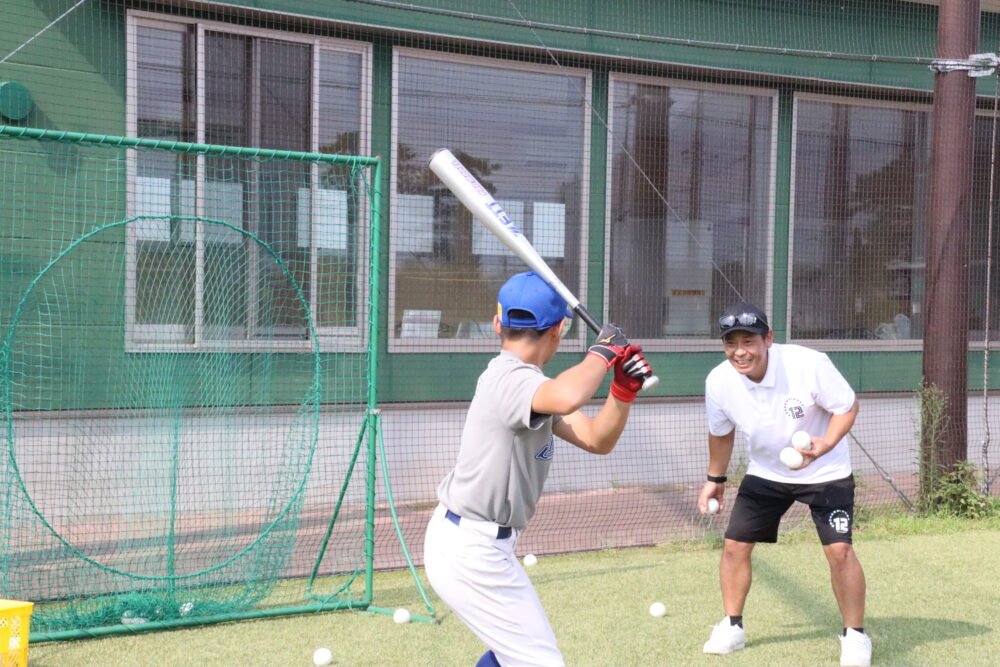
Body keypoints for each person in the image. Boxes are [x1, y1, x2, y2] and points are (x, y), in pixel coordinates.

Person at [423, 271, 653, 667]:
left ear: (498, 323)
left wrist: (622, 390)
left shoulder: (533, 388)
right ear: (559, 329)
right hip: (470, 548)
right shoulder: (509, 378)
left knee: (518, 656)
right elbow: (568, 395)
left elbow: (596, 439)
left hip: (478, 546)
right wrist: (603, 351)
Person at [697, 301, 871, 667]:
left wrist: (826, 444)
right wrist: (715, 479)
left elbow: (847, 406)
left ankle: (855, 636)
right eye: (731, 343)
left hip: (825, 471)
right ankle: (732, 627)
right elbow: (721, 432)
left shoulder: (808, 364)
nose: (740, 352)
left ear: (768, 339)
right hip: (767, 472)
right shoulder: (718, 381)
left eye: (748, 341)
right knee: (734, 547)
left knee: (839, 551)